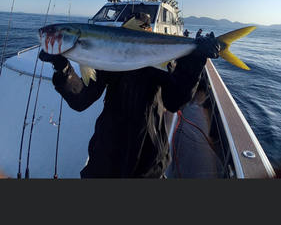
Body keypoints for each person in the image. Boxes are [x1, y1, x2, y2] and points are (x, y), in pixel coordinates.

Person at [39, 12, 220, 178]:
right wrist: (63, 70)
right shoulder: (106, 60)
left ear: (148, 32)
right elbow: (81, 99)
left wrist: (195, 62)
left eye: (141, 33)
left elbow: (175, 102)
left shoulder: (160, 61)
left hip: (149, 161)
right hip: (107, 156)